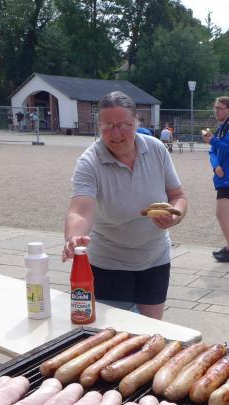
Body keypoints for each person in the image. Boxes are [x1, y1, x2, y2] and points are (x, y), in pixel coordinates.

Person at [62, 91, 187, 320]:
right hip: (108, 264)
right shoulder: (89, 162)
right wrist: (73, 237)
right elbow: (81, 209)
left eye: (123, 125)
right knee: (115, 332)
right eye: (108, 126)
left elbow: (177, 195)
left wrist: (174, 216)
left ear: (136, 121)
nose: (116, 133)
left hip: (155, 259)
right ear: (99, 126)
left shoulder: (156, 149)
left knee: (151, 330)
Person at [203, 96, 229, 263]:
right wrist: (215, 166)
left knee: (221, 214)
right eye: (215, 108)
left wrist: (213, 140)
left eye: (220, 108)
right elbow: (212, 151)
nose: (216, 111)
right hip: (225, 177)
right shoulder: (222, 127)